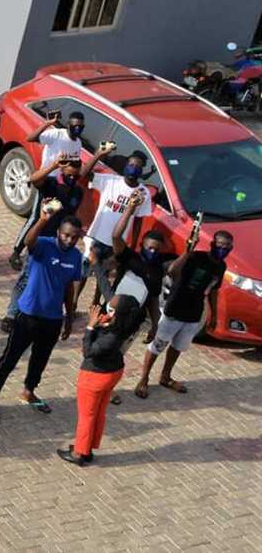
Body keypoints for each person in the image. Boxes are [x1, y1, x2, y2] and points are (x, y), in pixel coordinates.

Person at [0, 210, 81, 424]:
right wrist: (43, 219)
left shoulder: (76, 257)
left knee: (40, 358)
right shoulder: (44, 245)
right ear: (58, 232)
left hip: (53, 319)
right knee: (10, 357)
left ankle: (29, 390)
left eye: (74, 237)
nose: (69, 240)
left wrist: (69, 317)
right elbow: (29, 241)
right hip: (27, 315)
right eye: (66, 235)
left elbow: (69, 288)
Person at [1, 149, 102, 332]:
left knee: (50, 281)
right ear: (63, 171)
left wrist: (78, 232)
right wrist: (54, 165)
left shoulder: (77, 192)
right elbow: (33, 179)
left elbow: (70, 216)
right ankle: (11, 314)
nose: (71, 178)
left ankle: (38, 312)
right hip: (41, 241)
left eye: (75, 175)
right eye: (68, 174)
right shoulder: (52, 185)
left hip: (60, 246)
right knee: (25, 279)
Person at [135, 230, 232, 399]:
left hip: (194, 314)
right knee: (158, 345)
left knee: (178, 347)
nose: (222, 249)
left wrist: (214, 314)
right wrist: (187, 251)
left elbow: (213, 291)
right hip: (174, 309)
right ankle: (143, 379)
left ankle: (165, 376)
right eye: (219, 245)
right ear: (212, 244)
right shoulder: (195, 257)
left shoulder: (221, 266)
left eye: (226, 247)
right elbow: (172, 271)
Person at [57, 295, 143, 467]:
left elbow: (88, 351)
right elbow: (108, 293)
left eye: (111, 309)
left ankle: (79, 452)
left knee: (87, 416)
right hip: (112, 373)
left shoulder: (112, 336)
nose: (107, 311)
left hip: (95, 376)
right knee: (98, 412)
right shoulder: (124, 324)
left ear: (119, 313)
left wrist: (90, 327)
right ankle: (88, 448)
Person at [8, 111, 86, 270]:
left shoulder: (78, 144)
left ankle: (42, 249)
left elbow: (76, 166)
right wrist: (47, 123)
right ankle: (16, 251)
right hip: (48, 179)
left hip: (64, 183)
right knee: (37, 216)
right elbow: (30, 138)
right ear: (68, 124)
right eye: (74, 125)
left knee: (55, 219)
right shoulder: (56, 134)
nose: (77, 128)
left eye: (80, 126)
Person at [75, 151, 153, 308]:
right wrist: (99, 154)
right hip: (95, 237)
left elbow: (138, 220)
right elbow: (83, 174)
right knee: (83, 272)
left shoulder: (143, 193)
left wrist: (132, 245)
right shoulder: (110, 181)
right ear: (125, 165)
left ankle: (95, 303)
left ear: (142, 170)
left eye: (138, 166)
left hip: (117, 243)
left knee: (103, 275)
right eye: (131, 164)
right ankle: (74, 302)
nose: (133, 169)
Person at [104, 194, 168, 339]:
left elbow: (153, 300)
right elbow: (116, 236)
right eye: (149, 248)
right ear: (141, 246)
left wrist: (155, 325)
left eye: (157, 250)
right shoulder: (129, 257)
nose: (152, 252)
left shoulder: (158, 271)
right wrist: (130, 209)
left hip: (132, 321)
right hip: (111, 312)